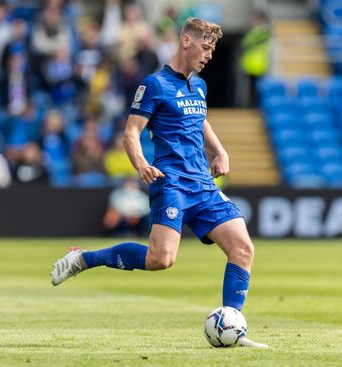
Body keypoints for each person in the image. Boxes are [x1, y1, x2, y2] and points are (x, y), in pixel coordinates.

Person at [50, 18, 268, 349]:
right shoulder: (154, 85)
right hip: (173, 183)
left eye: (212, 49)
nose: (209, 55)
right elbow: (131, 132)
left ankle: (232, 326)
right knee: (160, 260)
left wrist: (220, 150)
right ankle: (83, 259)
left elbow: (200, 119)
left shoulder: (200, 86)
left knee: (243, 249)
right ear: (185, 41)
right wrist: (141, 165)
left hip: (203, 184)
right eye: (206, 48)